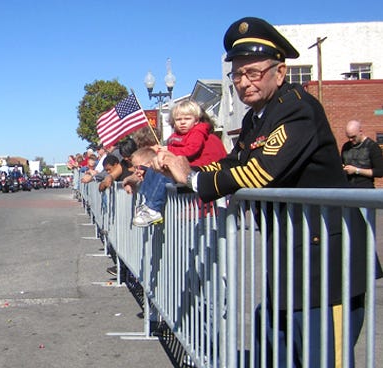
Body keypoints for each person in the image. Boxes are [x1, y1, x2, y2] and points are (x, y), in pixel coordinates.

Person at [152, 16, 383, 368]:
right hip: (292, 254)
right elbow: (232, 163)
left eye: (254, 72)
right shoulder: (256, 118)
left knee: (325, 355)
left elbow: (260, 171)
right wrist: (186, 169)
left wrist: (193, 181)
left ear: (280, 71)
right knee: (277, 342)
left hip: (327, 261)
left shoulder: (297, 107)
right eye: (237, 74)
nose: (244, 83)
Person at [131, 101, 227, 227]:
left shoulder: (203, 137)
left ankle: (153, 208)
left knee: (164, 171)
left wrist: (168, 152)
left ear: (197, 120)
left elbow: (191, 151)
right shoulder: (178, 136)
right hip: (191, 188)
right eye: (178, 119)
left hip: (203, 189)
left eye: (187, 119)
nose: (182, 122)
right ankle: (148, 203)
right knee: (156, 169)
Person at [341, 119, 383, 188]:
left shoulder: (372, 146)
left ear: (360, 131)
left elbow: (380, 172)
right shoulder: (346, 146)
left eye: (353, 137)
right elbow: (342, 164)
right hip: (348, 189)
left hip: (365, 190)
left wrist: (356, 170)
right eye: (348, 137)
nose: (350, 140)